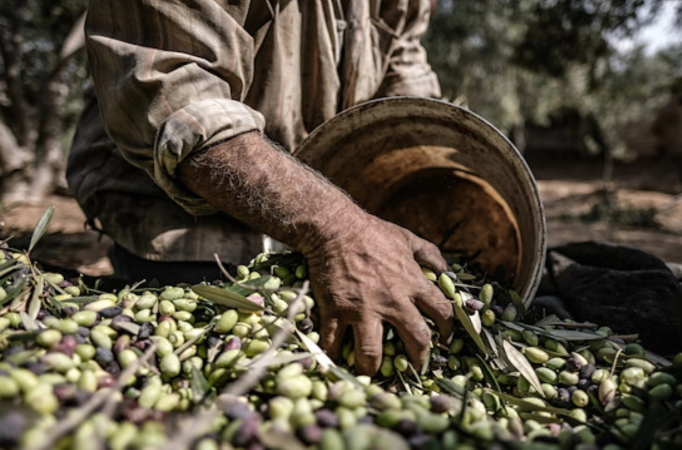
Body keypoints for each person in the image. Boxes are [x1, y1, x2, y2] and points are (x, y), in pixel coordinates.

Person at [67, 0, 453, 376]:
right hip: (177, 223)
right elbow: (172, 93)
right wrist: (338, 230)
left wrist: (437, 182)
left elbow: (406, 80)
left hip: (311, 227)